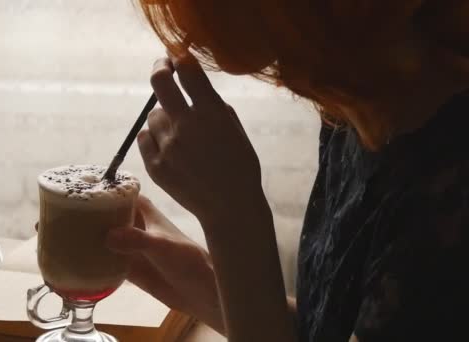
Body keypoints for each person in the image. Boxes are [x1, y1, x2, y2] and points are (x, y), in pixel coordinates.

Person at [104, 1, 469, 341]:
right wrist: (209, 286)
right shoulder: (363, 101)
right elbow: (333, 331)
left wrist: (234, 219)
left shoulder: (449, 187)